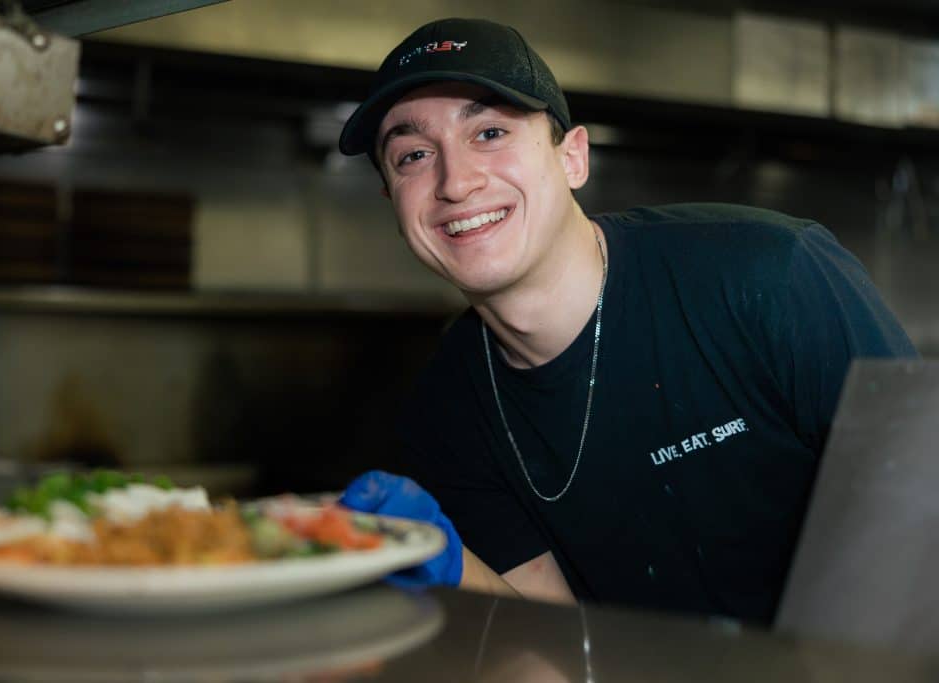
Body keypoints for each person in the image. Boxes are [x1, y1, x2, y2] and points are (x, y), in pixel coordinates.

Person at [335, 17, 918, 624]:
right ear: (393, 202)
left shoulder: (768, 275)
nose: (455, 182)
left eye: (489, 132)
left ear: (573, 158)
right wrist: (456, 571)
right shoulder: (445, 411)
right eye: (414, 155)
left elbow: (922, 517)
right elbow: (557, 645)